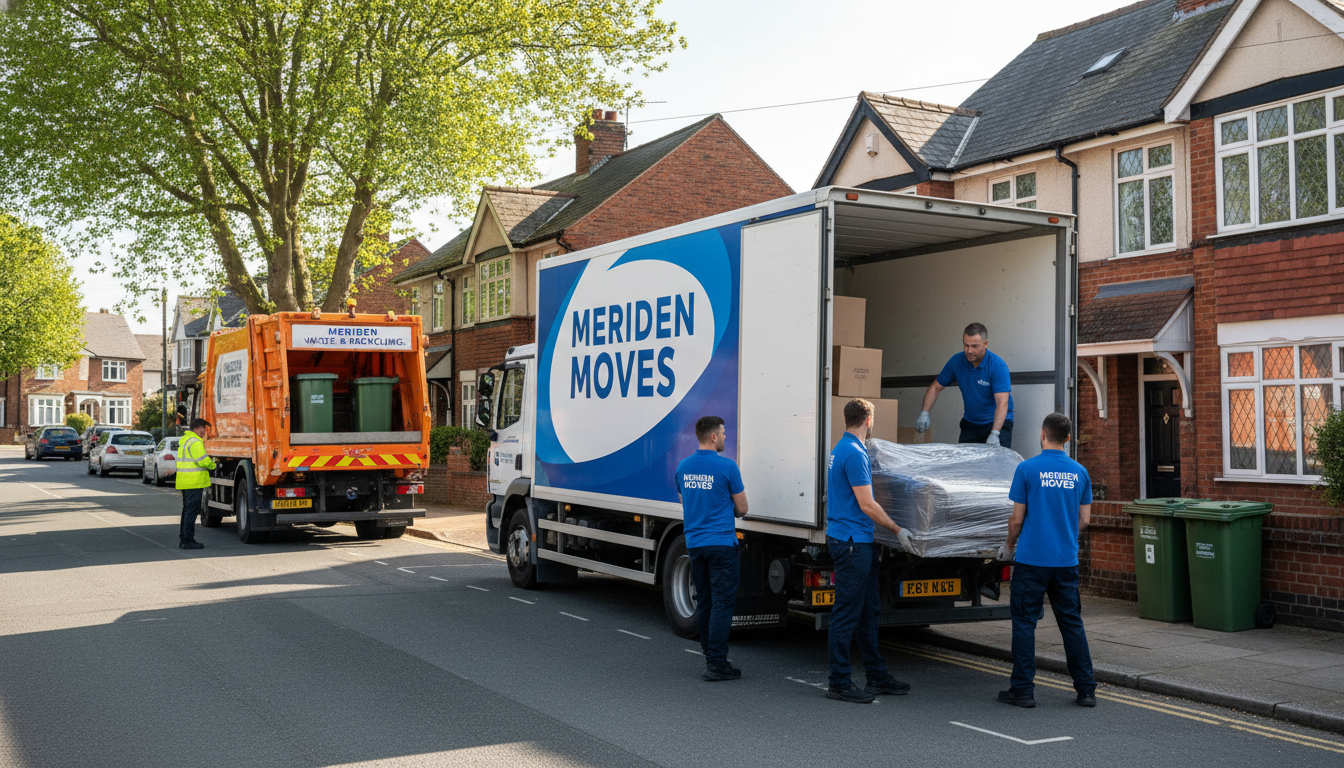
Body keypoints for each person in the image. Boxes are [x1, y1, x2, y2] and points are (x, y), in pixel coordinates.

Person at [996, 412, 1096, 709]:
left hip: (1032, 561)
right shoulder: (1080, 472)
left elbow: (1016, 519)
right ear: (1068, 438)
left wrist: (1009, 545)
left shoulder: (1027, 469)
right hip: (1066, 560)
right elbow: (1085, 520)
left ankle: (1023, 690)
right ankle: (1086, 690)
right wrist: (1063, 531)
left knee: (1024, 624)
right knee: (1072, 624)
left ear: (1042, 434)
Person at [825, 398, 916, 704]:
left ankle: (876, 675)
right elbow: (866, 504)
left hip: (855, 540)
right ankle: (839, 682)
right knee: (847, 613)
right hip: (852, 542)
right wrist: (897, 529)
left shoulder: (843, 448)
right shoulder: (853, 453)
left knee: (868, 610)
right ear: (868, 420)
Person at [675, 415, 749, 681]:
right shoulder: (727, 467)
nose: (726, 437)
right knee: (722, 602)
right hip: (721, 544)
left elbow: (685, 501)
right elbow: (743, 508)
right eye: (723, 433)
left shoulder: (683, 467)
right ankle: (717, 663)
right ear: (714, 436)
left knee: (705, 599)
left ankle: (709, 652)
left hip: (695, 544)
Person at [915, 322, 1014, 448]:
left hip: (997, 423)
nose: (969, 351)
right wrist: (924, 413)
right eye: (966, 345)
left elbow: (1002, 403)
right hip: (970, 423)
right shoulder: (956, 361)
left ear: (985, 344)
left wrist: (995, 433)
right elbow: (935, 387)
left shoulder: (997, 366)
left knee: (998, 460)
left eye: (974, 346)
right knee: (965, 460)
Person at [175, 417, 217, 550]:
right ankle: (187, 540)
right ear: (197, 428)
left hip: (186, 481)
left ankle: (184, 538)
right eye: (202, 428)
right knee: (191, 512)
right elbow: (203, 460)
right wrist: (213, 464)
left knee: (187, 511)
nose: (204, 431)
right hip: (194, 482)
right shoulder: (195, 442)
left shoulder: (186, 440)